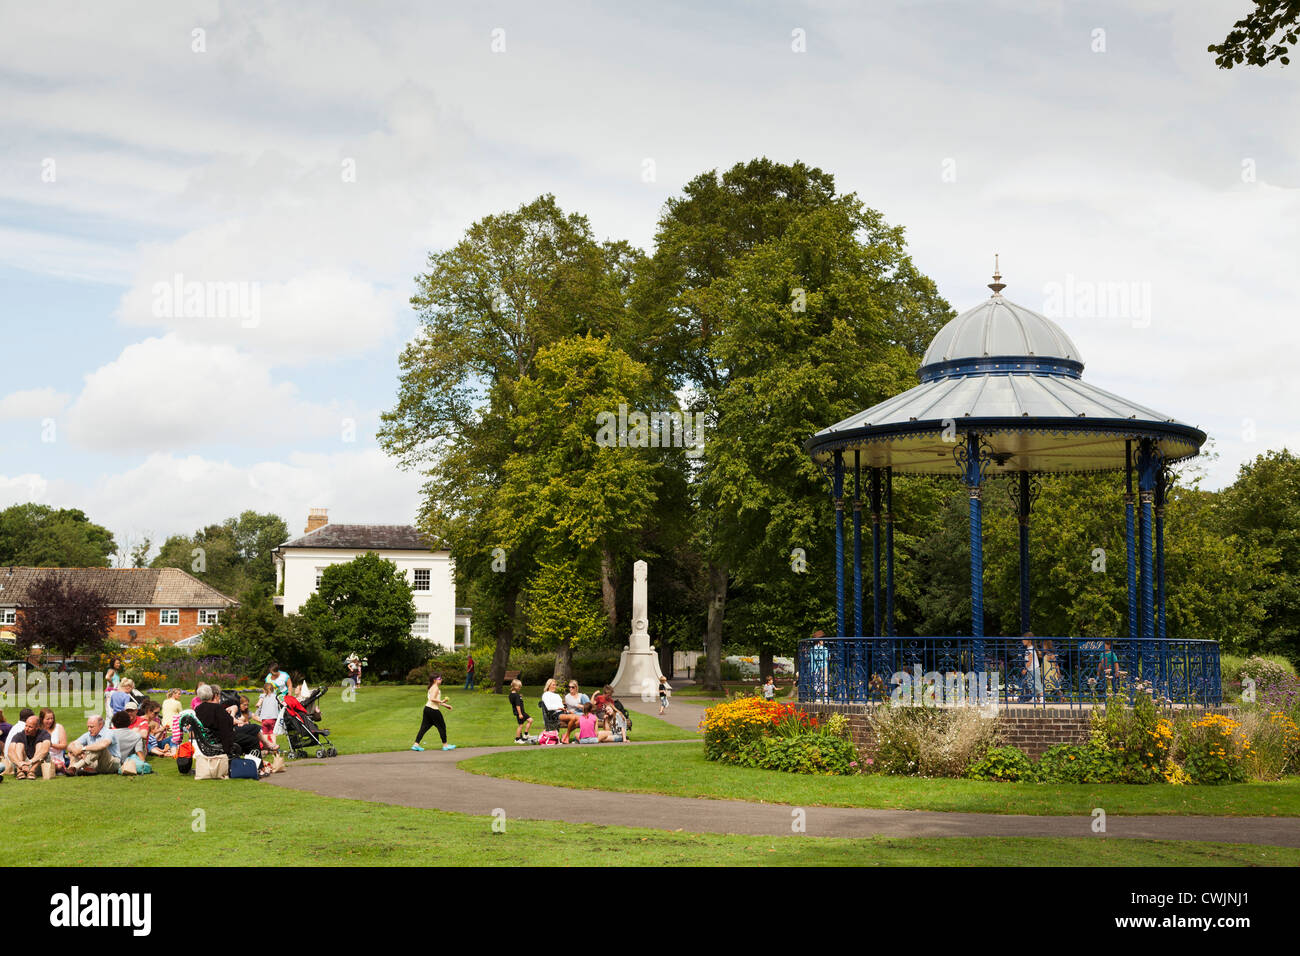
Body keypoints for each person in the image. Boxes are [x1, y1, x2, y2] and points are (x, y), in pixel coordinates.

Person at [411, 675, 455, 751]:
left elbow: (435, 700)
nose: (441, 679)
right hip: (433, 710)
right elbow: (432, 699)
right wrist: (442, 701)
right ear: (435, 680)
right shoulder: (435, 688)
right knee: (442, 727)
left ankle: (416, 744)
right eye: (439, 678)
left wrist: (445, 705)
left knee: (424, 727)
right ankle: (445, 745)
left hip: (427, 709)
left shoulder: (432, 687)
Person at [3, 713, 52, 779]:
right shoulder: (20, 735)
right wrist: (20, 764)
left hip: (38, 765)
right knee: (19, 745)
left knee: (40, 744)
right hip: (21, 765)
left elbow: (45, 751)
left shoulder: (44, 734)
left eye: (30, 727)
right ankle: (20, 772)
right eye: (26, 726)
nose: (26, 729)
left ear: (37, 727)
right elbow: (10, 752)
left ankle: (32, 772)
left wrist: (30, 762)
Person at [194, 683, 236, 756]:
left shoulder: (198, 709)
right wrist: (233, 712)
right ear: (211, 694)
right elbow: (228, 724)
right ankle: (259, 765)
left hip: (207, 740)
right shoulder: (216, 708)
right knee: (252, 738)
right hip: (219, 739)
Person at [38, 708, 68, 774]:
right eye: (48, 719)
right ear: (42, 719)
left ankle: (57, 768)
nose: (50, 721)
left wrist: (50, 744)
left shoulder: (59, 727)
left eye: (52, 718)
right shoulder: (38, 729)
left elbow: (64, 745)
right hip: (42, 757)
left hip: (56, 757)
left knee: (57, 765)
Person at [508, 679, 533, 743]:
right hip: (520, 712)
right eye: (519, 687)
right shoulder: (516, 695)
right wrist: (520, 714)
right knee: (521, 725)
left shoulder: (512, 695)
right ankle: (517, 739)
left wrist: (519, 697)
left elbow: (513, 701)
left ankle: (525, 734)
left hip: (522, 712)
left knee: (530, 720)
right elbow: (517, 705)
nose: (520, 688)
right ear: (515, 687)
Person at [1021, 634, 1043, 703]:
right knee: (1031, 685)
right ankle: (1035, 698)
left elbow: (1030, 661)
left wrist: (1025, 669)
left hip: (1034, 669)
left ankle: (1042, 699)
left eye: (1024, 639)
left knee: (1037, 684)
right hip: (1031, 670)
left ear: (1029, 640)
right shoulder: (1029, 649)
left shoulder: (1030, 649)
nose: (1022, 641)